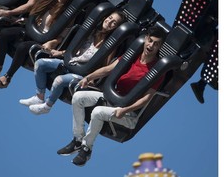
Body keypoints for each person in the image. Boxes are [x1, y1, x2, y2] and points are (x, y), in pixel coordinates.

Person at [57, 25, 167, 166]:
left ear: (159, 47)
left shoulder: (157, 70)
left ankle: (86, 149)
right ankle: (78, 140)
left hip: (128, 113)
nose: (151, 45)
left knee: (97, 112)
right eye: (150, 40)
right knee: (78, 97)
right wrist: (88, 78)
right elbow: (109, 69)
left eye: (156, 44)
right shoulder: (133, 55)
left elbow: (147, 98)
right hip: (112, 97)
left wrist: (125, 110)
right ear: (145, 39)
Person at [19, 10, 126, 114]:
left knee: (59, 80)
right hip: (71, 62)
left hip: (82, 73)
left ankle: (47, 106)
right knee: (40, 63)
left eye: (114, 23)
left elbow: (105, 65)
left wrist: (92, 78)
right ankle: (39, 97)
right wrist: (60, 53)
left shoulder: (109, 45)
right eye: (110, 18)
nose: (109, 22)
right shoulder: (91, 31)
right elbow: (75, 49)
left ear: (116, 28)